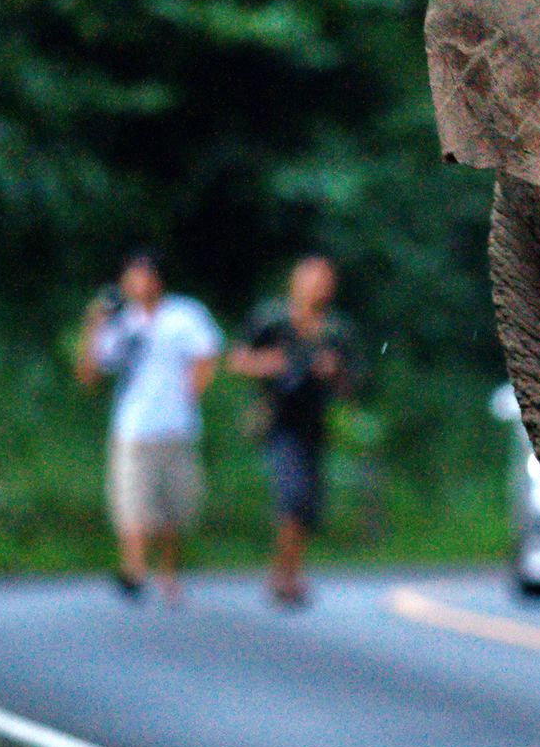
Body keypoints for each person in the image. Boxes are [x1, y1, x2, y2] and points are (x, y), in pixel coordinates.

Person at [76, 251, 222, 604]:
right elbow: (90, 374)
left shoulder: (183, 316)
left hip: (176, 427)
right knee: (133, 504)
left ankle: (168, 571)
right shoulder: (120, 324)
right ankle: (134, 569)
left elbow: (207, 356)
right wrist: (93, 324)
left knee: (174, 508)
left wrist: (190, 393)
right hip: (133, 428)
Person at [230, 256, 360, 606]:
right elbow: (238, 360)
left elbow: (354, 384)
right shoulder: (271, 320)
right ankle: (284, 576)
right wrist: (269, 364)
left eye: (324, 281)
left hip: (315, 425)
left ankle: (288, 570)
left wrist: (333, 372)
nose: (317, 287)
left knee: (307, 504)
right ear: (295, 282)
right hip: (278, 422)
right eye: (311, 279)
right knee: (292, 494)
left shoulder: (337, 330)